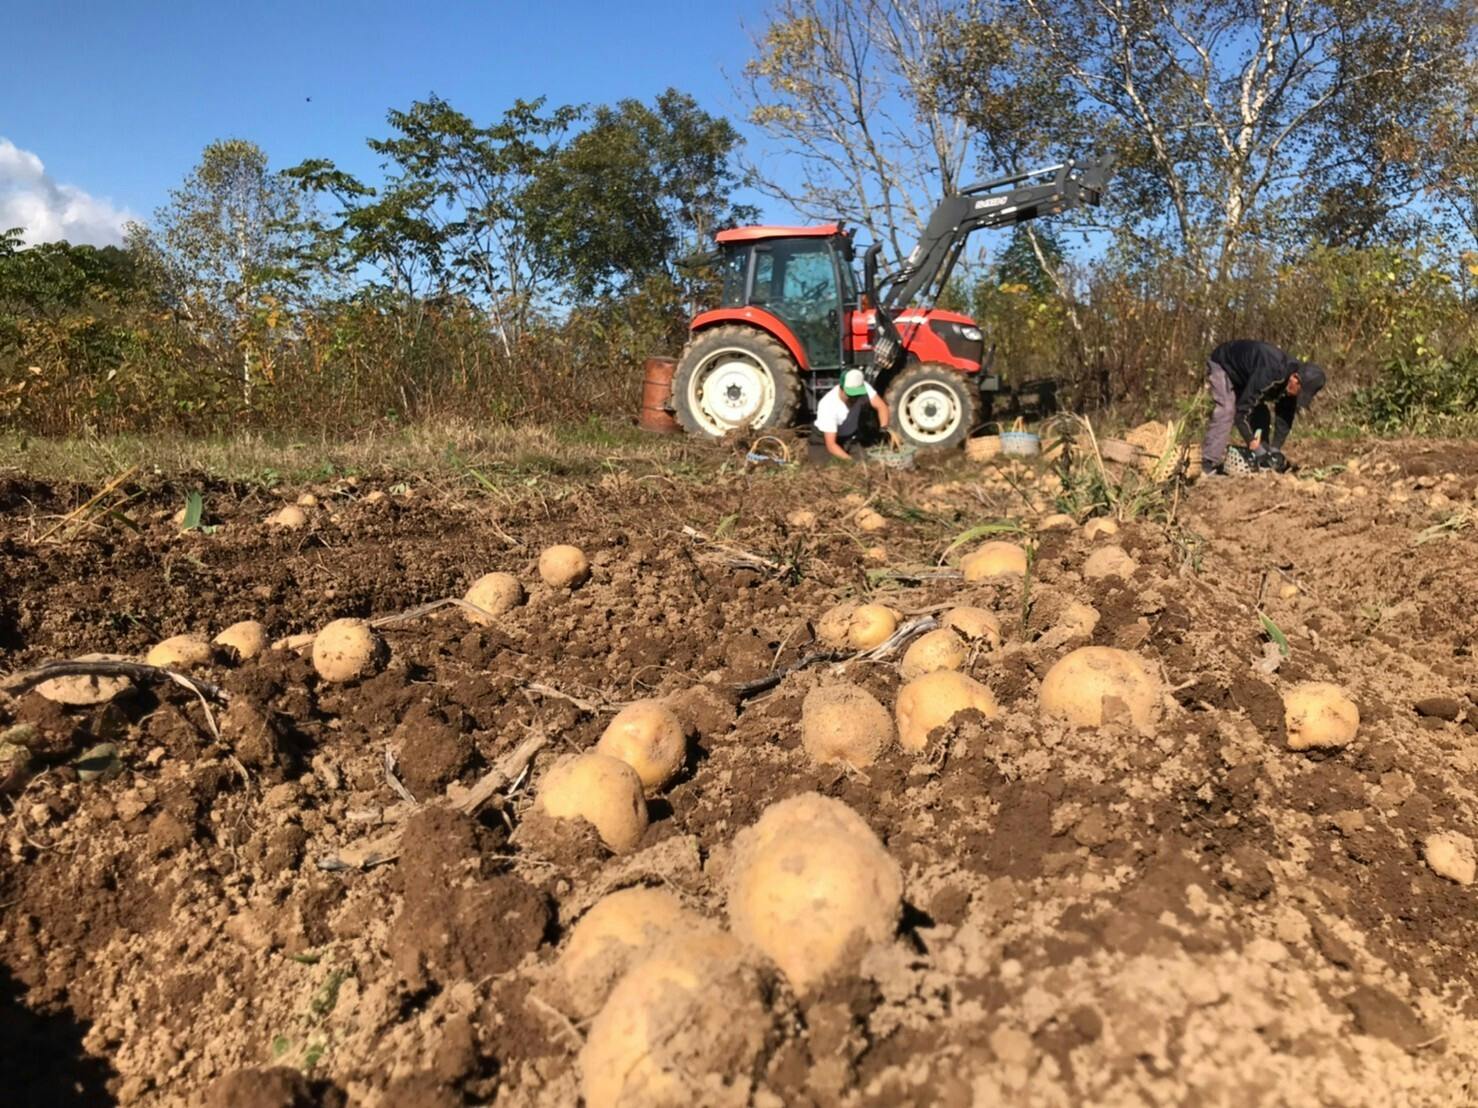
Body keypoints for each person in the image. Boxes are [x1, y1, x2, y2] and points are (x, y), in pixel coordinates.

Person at [1201, 339, 1326, 476]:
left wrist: (1275, 449)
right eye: (1300, 392)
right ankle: (1207, 464)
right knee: (1227, 409)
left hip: (1246, 375)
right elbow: (1242, 413)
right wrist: (1253, 444)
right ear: (1295, 379)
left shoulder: (1291, 381)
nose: (1298, 397)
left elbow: (1284, 416)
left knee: (1261, 412)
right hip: (1223, 363)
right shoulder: (1271, 373)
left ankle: (1264, 455)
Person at [809, 368, 896, 463]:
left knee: (866, 462)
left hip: (849, 439)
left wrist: (885, 429)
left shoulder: (864, 388)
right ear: (841, 389)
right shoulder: (828, 405)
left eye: (857, 395)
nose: (854, 399)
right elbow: (831, 445)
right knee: (832, 467)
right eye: (850, 395)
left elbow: (881, 406)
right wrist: (852, 463)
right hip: (824, 442)